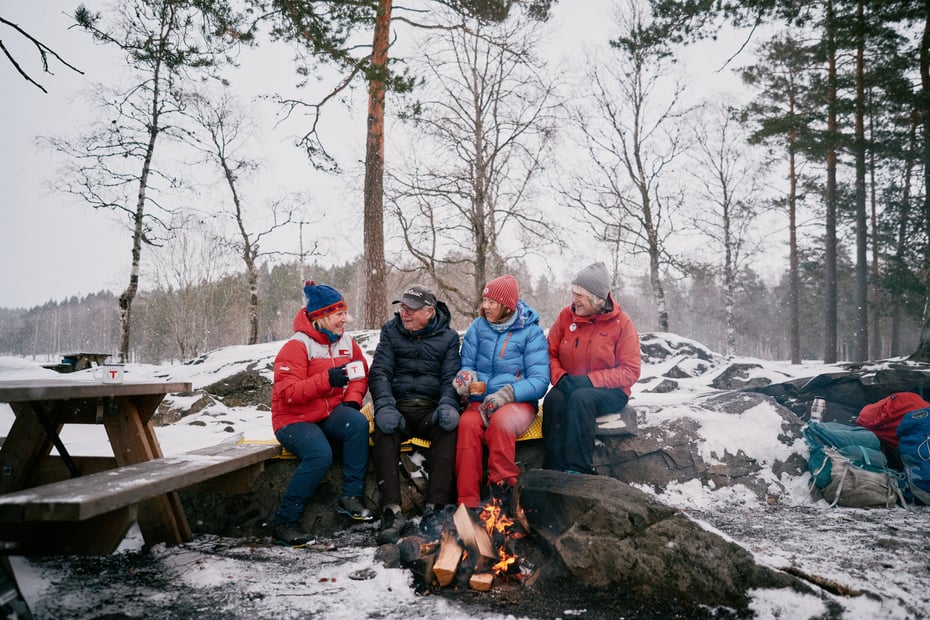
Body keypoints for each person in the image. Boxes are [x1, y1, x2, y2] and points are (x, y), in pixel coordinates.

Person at [269, 280, 373, 547]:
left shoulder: (346, 342)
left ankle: (351, 497)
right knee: (320, 454)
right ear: (321, 317)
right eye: (339, 314)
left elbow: (360, 373)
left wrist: (352, 401)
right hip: (293, 420)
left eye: (344, 313)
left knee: (358, 424)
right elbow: (288, 393)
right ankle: (285, 521)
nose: (344, 320)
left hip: (329, 412)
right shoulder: (297, 346)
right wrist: (327, 380)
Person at [369, 284, 463, 542]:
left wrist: (448, 404)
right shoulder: (390, 332)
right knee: (383, 432)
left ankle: (436, 507)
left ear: (429, 312)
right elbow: (380, 372)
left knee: (449, 428)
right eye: (402, 307)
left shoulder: (448, 338)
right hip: (398, 407)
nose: (405, 313)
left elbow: (451, 377)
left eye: (411, 309)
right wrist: (384, 405)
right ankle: (391, 510)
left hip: (430, 409)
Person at [454, 275, 550, 509]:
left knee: (501, 423)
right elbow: (467, 365)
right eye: (484, 300)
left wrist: (505, 396)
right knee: (467, 425)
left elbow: (540, 381)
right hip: (480, 400)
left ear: (507, 306)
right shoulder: (477, 327)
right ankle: (468, 502)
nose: (485, 306)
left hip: (517, 402)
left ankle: (503, 494)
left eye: (492, 302)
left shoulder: (531, 333)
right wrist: (465, 379)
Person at [542, 262, 641, 475]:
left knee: (581, 399)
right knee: (554, 399)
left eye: (579, 295)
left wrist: (591, 380)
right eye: (573, 293)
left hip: (610, 391)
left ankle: (579, 468)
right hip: (570, 383)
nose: (573, 299)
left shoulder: (622, 323)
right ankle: (552, 467)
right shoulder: (565, 316)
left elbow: (630, 370)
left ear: (597, 299)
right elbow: (549, 353)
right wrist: (560, 377)